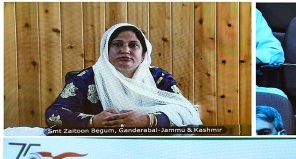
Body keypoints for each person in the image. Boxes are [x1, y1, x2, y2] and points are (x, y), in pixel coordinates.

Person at [45, 23, 201, 130]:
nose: (125, 50)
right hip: (99, 153)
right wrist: (92, 121)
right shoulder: (86, 78)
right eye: (118, 44)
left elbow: (186, 112)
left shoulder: (158, 77)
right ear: (106, 51)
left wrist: (147, 120)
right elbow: (53, 115)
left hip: (152, 151)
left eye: (133, 45)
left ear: (144, 53)